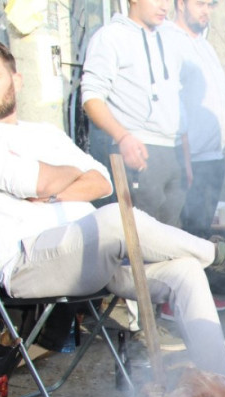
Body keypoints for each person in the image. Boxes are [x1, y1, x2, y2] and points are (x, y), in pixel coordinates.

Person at [0, 39, 225, 379]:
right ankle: (218, 255)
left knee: (185, 270)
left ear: (16, 80)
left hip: (92, 259)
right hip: (29, 264)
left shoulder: (44, 133)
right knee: (113, 217)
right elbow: (34, 182)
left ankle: (223, 383)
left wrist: (54, 188)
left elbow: (101, 182)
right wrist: (68, 174)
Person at [81, 0, 190, 228]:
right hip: (137, 150)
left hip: (174, 154)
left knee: (173, 237)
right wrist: (123, 137)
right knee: (140, 236)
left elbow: (179, 103)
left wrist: (186, 160)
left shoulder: (171, 40)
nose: (165, 7)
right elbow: (91, 98)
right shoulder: (110, 37)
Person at [172, 0, 225, 240]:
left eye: (210, 4)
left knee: (202, 235)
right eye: (200, 4)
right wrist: (185, 160)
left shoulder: (206, 46)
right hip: (189, 161)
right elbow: (172, 102)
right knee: (185, 237)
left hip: (213, 158)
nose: (206, 10)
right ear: (181, 4)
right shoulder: (170, 41)